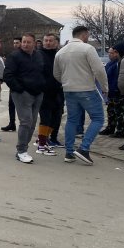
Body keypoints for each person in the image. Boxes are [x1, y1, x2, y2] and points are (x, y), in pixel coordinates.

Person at [53, 26, 108, 165]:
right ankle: (84, 148)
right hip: (87, 89)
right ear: (84, 35)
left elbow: (56, 74)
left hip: (68, 90)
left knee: (72, 120)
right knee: (98, 118)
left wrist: (66, 82)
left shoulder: (60, 52)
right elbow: (99, 70)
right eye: (87, 35)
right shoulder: (88, 49)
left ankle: (69, 152)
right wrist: (105, 88)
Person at [4, 33, 46, 163]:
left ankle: (23, 148)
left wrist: (43, 86)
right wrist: (19, 89)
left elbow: (43, 72)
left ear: (34, 43)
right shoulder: (14, 56)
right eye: (24, 42)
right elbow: (8, 75)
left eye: (28, 42)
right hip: (22, 94)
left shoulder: (39, 55)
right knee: (26, 121)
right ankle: (21, 150)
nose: (25, 44)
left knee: (32, 123)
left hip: (38, 93)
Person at [38, 33, 65, 150]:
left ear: (56, 43)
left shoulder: (60, 55)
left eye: (50, 41)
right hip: (44, 92)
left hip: (58, 90)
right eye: (46, 40)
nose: (48, 43)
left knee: (57, 116)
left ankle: (53, 138)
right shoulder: (38, 55)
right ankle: (42, 141)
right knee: (45, 117)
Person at [100, 47, 124, 138]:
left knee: (119, 112)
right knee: (111, 111)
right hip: (110, 92)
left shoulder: (120, 64)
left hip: (117, 92)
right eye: (109, 53)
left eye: (111, 53)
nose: (109, 55)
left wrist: (117, 89)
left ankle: (120, 130)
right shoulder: (109, 64)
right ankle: (110, 128)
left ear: (116, 53)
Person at [1, 37, 22, 132]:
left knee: (22, 106)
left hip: (24, 85)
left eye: (17, 43)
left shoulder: (27, 55)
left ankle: (23, 124)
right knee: (11, 105)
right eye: (14, 43)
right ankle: (12, 123)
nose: (15, 45)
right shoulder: (12, 55)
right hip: (14, 85)